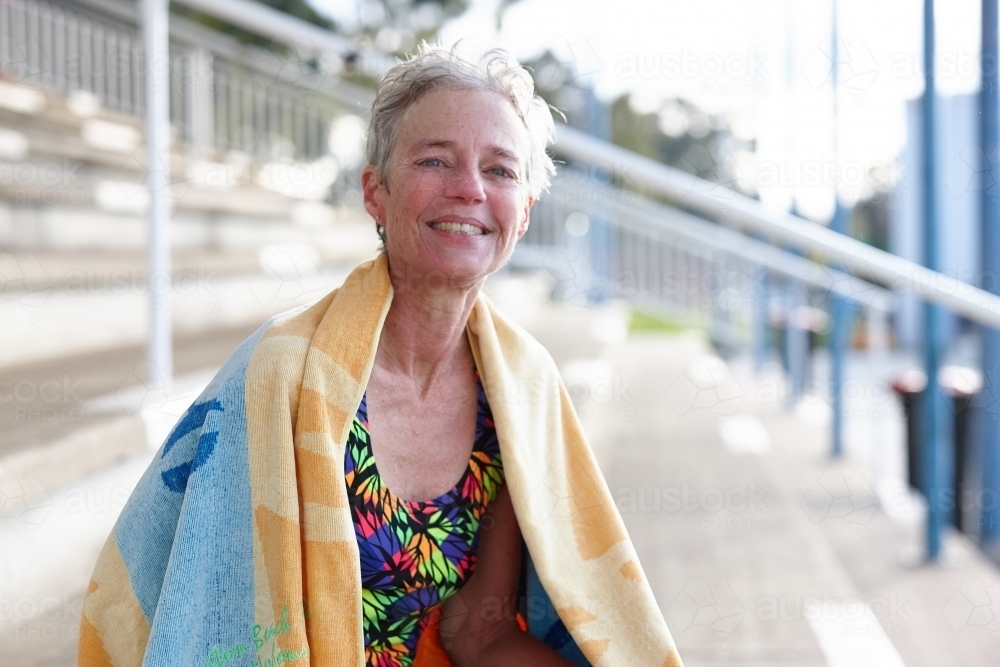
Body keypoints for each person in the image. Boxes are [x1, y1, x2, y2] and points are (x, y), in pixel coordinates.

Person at [78, 44, 681, 667]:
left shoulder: (519, 387)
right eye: (435, 160)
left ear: (524, 213)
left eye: (500, 170)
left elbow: (478, 634)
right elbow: (222, 629)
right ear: (376, 192)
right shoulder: (283, 372)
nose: (469, 189)